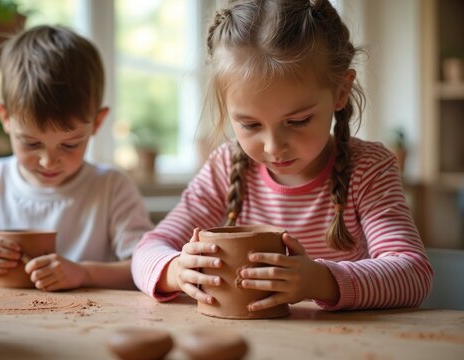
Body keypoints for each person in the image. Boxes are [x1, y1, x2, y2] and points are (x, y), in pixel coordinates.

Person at [132, 0, 432, 311]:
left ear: (341, 92)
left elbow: (413, 273)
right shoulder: (225, 167)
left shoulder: (368, 169)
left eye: (298, 121)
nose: (274, 147)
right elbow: (147, 250)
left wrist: (319, 280)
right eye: (250, 124)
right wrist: (176, 270)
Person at [0, 25, 154, 291]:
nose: (48, 161)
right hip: (2, 327)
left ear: (97, 123)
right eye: (31, 143)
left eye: (69, 145)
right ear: (5, 118)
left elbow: (145, 266)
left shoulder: (112, 189)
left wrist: (84, 274)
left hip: (88, 328)